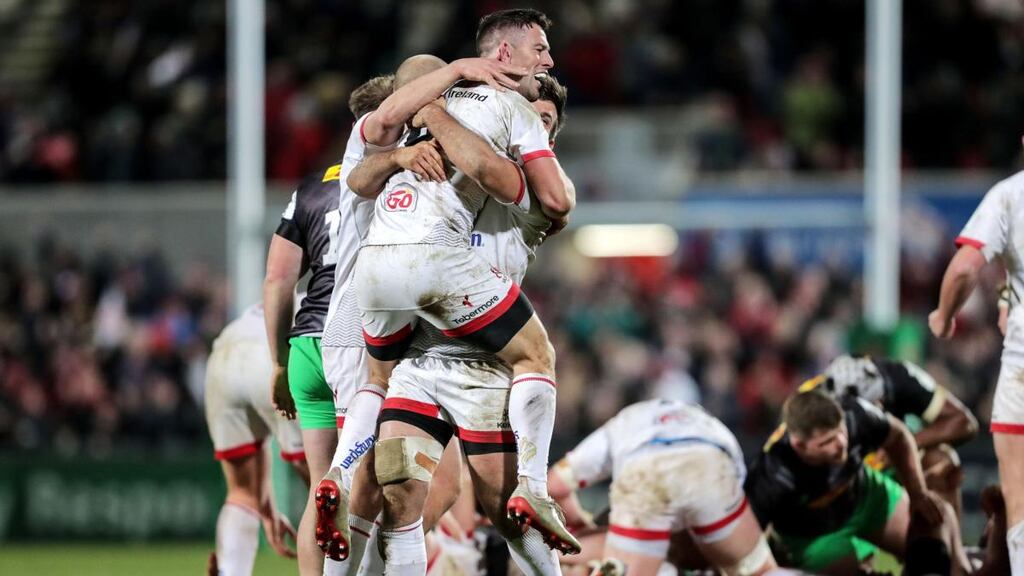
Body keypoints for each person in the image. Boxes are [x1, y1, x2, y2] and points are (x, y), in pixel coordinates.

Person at [336, 7, 579, 563]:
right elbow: (363, 168)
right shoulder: (470, 136)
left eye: (546, 121)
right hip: (424, 353)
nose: (533, 123)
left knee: (501, 509)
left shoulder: (532, 194)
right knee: (403, 504)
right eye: (531, 112)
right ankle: (339, 480)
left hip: (482, 365)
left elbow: (491, 168)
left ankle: (531, 501)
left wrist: (434, 108)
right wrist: (415, 133)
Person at [263, 75, 396, 575]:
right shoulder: (392, 183)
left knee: (322, 486)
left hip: (304, 349)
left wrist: (278, 361)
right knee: (365, 487)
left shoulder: (309, 192)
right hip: (358, 342)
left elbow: (278, 282)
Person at [546, 399, 778, 576]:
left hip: (645, 468)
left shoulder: (624, 423)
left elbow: (554, 486)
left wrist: (580, 530)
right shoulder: (713, 426)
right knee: (759, 570)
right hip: (709, 464)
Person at [745, 390, 961, 575]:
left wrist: (918, 494)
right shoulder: (771, 473)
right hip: (814, 538)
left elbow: (899, 437)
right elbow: (748, 539)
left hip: (866, 497)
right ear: (799, 445)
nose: (841, 444)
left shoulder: (857, 413)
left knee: (930, 533)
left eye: (840, 431)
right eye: (827, 441)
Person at [929, 169, 1024, 575]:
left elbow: (966, 268)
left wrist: (944, 315)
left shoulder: (1011, 194)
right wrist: (1007, 296)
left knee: (1019, 500)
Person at [204, 303, 308, 575]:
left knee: (243, 494)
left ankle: (230, 570)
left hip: (226, 350)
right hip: (277, 351)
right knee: (329, 491)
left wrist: (267, 504)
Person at [818, 354, 978, 515]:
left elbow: (964, 423)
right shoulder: (810, 404)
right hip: (846, 479)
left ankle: (946, 537)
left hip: (891, 468)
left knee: (940, 460)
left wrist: (903, 447)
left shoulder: (899, 377)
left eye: (878, 404)